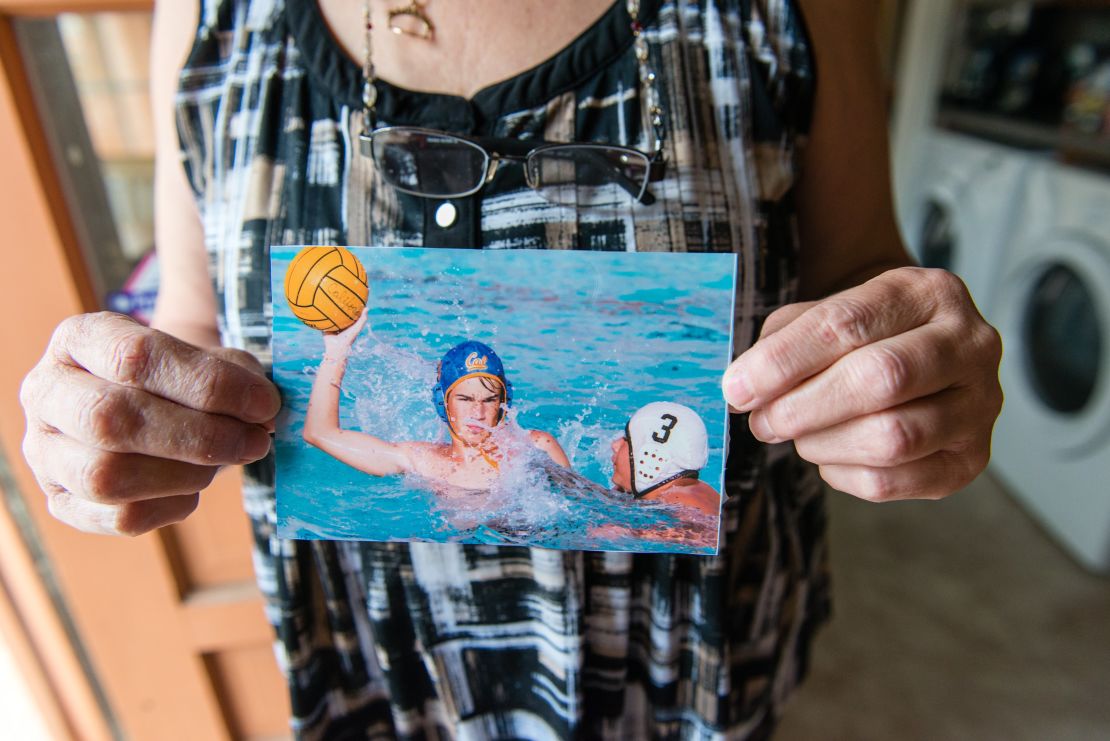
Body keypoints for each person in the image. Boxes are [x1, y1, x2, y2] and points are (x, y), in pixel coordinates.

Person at [17, 0, 1004, 737]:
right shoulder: (207, 15)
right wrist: (144, 405)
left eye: (496, 394)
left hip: (676, 673)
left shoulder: (532, 440)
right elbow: (228, 350)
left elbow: (860, 270)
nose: (485, 409)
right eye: (471, 395)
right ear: (448, 402)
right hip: (392, 675)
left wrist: (901, 365)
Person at [303, 309, 570, 490]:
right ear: (443, 402)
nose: (477, 412)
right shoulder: (423, 462)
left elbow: (585, 507)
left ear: (504, 403)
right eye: (465, 398)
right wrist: (336, 353)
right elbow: (319, 433)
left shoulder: (534, 448)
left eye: (489, 400)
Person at [610, 401, 721, 517]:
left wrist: (630, 531)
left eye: (627, 439)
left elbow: (703, 533)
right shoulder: (683, 491)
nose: (615, 445)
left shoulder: (680, 498)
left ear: (652, 454)